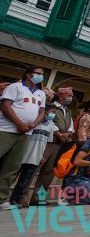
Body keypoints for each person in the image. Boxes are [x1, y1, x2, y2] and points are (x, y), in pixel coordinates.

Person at [0, 66, 46, 210]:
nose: (40, 76)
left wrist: (32, 124)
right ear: (28, 74)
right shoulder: (16, 87)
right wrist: (19, 123)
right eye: (37, 73)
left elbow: (42, 113)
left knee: (11, 167)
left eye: (42, 74)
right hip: (6, 129)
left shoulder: (40, 94)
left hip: (26, 133)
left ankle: (1, 199)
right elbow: (6, 106)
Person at [28, 87, 73, 206]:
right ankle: (22, 196)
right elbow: (49, 121)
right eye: (69, 95)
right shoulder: (51, 106)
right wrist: (58, 133)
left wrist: (68, 133)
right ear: (61, 95)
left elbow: (71, 124)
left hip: (60, 144)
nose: (71, 98)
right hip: (48, 141)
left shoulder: (67, 110)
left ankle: (38, 198)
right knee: (34, 168)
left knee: (48, 173)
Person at [9, 105, 59, 207]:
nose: (52, 115)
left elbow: (47, 143)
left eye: (54, 113)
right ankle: (3, 197)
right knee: (11, 177)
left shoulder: (50, 126)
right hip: (23, 155)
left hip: (35, 158)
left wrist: (43, 156)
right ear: (44, 112)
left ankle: (15, 199)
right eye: (51, 112)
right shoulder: (34, 123)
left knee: (24, 180)